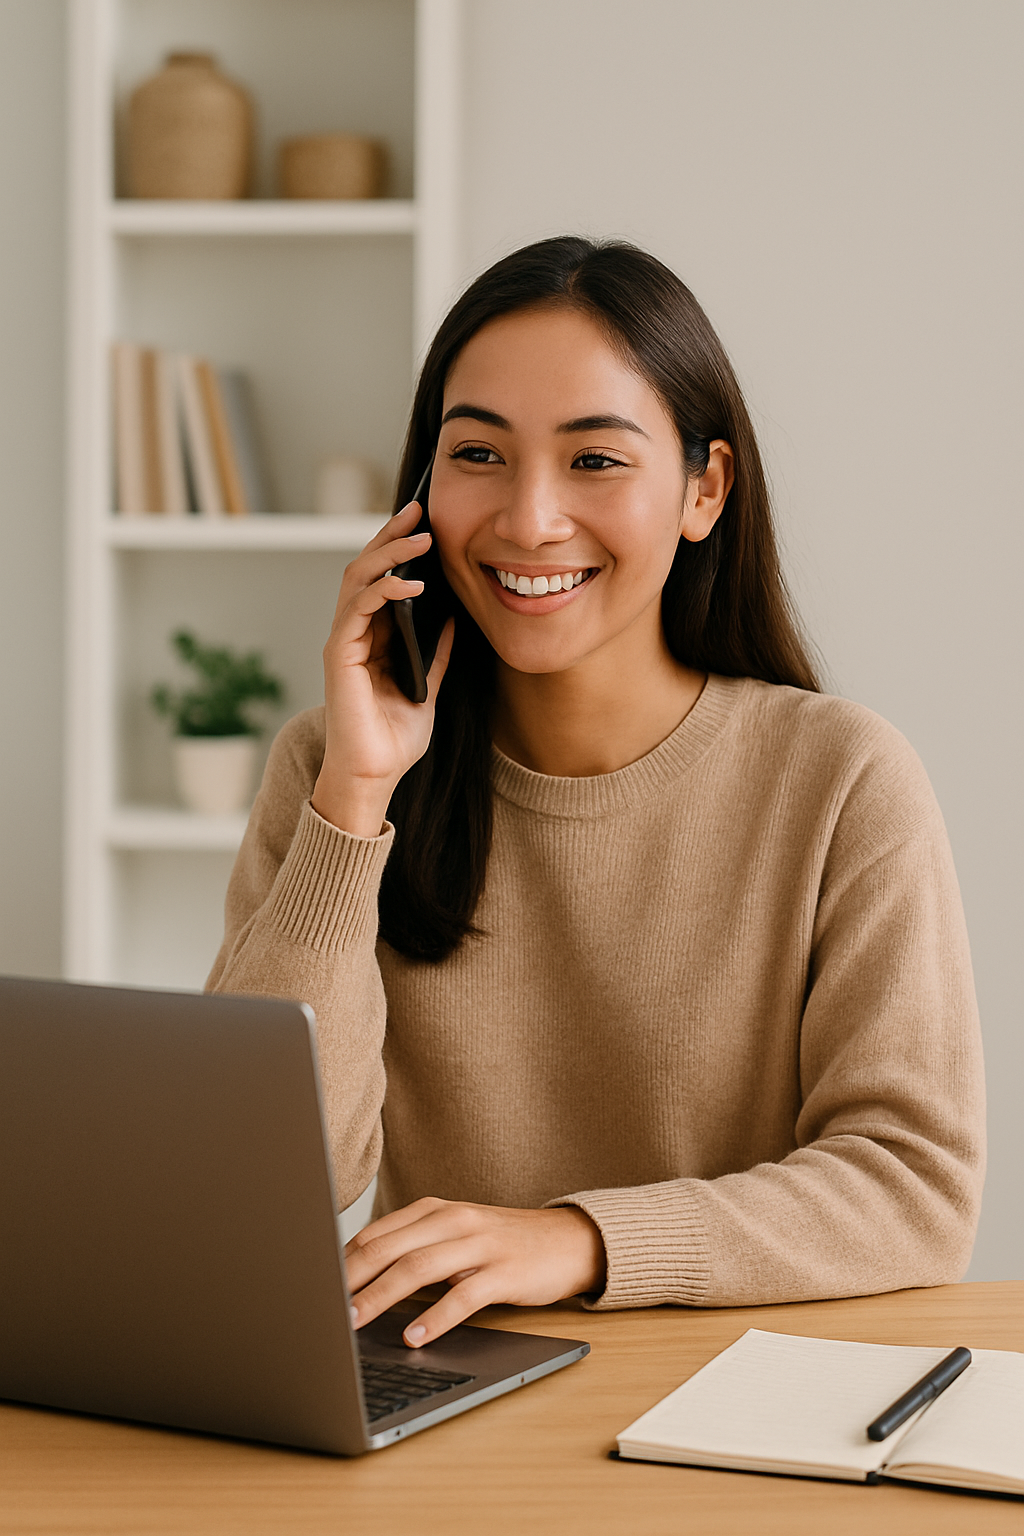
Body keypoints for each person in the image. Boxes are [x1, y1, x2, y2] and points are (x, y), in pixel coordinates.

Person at [208, 236, 984, 1350]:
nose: (527, 521)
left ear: (703, 489)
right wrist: (355, 801)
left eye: (595, 461)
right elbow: (260, 1179)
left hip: (737, 1402)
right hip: (439, 1396)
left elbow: (912, 1190)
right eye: (478, 453)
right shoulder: (331, 771)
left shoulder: (840, 781)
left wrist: (576, 1239)